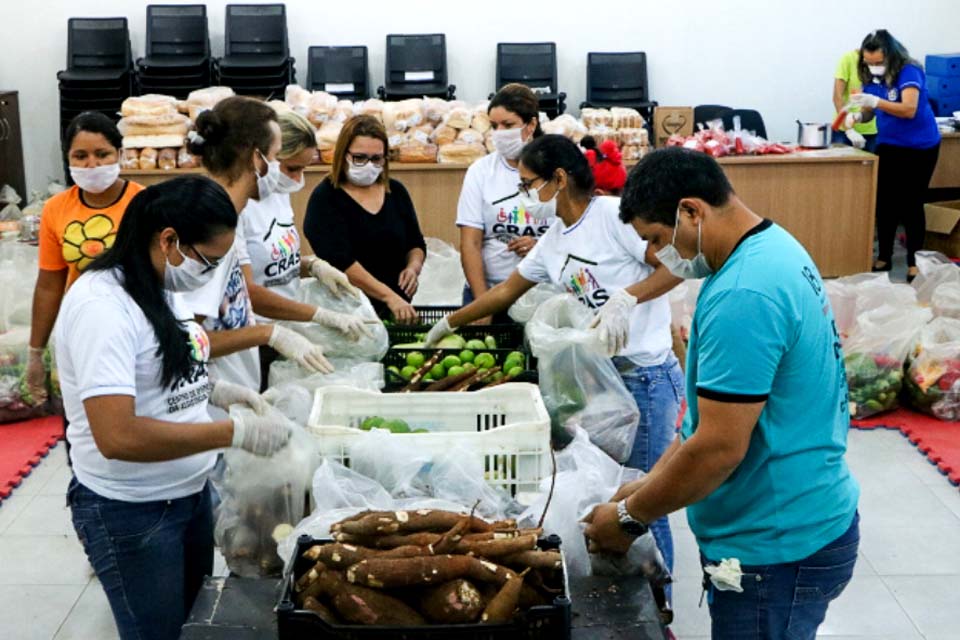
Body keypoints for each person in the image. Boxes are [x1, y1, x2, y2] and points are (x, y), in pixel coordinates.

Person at [584, 148, 860, 640]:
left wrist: (630, 517)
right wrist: (649, 484)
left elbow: (718, 448)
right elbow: (704, 426)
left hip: (776, 545)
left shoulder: (743, 294)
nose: (655, 257)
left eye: (656, 239)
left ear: (692, 211)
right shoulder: (772, 247)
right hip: (797, 514)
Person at [425, 134, 684, 577]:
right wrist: (451, 322)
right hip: (598, 382)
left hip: (644, 377)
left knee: (644, 499)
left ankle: (661, 606)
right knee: (608, 496)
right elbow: (508, 291)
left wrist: (627, 299)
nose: (524, 195)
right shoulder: (554, 239)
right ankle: (626, 594)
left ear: (559, 179)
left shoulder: (611, 217)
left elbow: (675, 264)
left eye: (528, 184)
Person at [58, 177, 292, 640]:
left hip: (188, 492)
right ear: (168, 240)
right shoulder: (102, 307)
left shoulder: (162, 284)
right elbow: (117, 435)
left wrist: (215, 392)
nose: (210, 273)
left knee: (190, 623)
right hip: (132, 509)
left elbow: (166, 363)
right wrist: (233, 433)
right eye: (209, 260)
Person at [184, 97, 334, 400]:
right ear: (257, 159)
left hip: (239, 382)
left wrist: (313, 266)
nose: (286, 175)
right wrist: (270, 332)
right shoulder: (209, 230)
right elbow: (185, 342)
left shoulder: (226, 216)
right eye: (277, 156)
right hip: (208, 399)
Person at [238, 110, 372, 387]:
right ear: (263, 157)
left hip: (288, 329)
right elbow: (247, 291)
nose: (298, 178)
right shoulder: (242, 207)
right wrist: (320, 316)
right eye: (292, 168)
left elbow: (275, 262)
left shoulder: (278, 195)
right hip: (255, 338)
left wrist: (310, 265)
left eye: (304, 168)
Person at [25, 112, 145, 406]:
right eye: (80, 156)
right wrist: (35, 353)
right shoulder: (55, 209)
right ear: (68, 158)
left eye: (102, 154)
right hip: (82, 328)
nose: (92, 164)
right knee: (83, 415)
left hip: (136, 327)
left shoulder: (143, 202)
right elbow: (49, 285)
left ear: (120, 154)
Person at [304, 115, 427, 324]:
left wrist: (413, 268)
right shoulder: (325, 198)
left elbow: (415, 243)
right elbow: (341, 262)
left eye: (377, 159)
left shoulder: (395, 192)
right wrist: (389, 296)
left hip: (396, 311)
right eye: (360, 158)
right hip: (349, 314)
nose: (369, 166)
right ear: (343, 155)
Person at [845, 29, 941, 281]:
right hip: (889, 143)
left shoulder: (909, 71)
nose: (873, 67)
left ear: (890, 56)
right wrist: (856, 117)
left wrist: (876, 103)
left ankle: (914, 262)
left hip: (920, 146)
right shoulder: (870, 77)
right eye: (869, 62)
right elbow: (869, 111)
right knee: (885, 203)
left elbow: (908, 109)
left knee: (911, 203)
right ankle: (884, 256)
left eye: (878, 63)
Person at [457, 83, 555, 322]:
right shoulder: (480, 171)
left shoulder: (558, 169)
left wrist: (542, 247)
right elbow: (470, 243)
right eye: (493, 126)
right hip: (490, 290)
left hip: (546, 296)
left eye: (508, 125)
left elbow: (577, 233)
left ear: (531, 125)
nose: (499, 132)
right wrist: (483, 304)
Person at [832, 48, 878, 152]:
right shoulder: (848, 59)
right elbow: (837, 98)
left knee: (870, 167)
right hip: (843, 131)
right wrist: (849, 131)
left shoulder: (882, 63)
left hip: (872, 131)